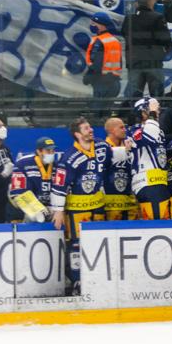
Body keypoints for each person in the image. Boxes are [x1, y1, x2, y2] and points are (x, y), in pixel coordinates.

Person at [51, 118, 119, 293]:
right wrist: (58, 211)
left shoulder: (102, 146)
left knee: (99, 242)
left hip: (98, 205)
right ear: (77, 134)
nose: (91, 130)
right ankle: (77, 281)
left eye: (90, 127)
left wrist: (128, 150)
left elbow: (114, 158)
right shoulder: (69, 157)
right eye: (86, 128)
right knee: (76, 245)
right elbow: (59, 185)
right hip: (77, 209)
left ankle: (98, 277)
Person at [121, 0, 172, 99]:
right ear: (150, 1)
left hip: (134, 60)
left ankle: (135, 110)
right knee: (156, 95)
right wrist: (164, 52)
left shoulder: (129, 17)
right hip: (153, 61)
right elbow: (165, 39)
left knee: (134, 95)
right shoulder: (157, 17)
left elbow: (124, 33)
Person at [130, 97, 172, 220]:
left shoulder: (157, 130)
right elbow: (150, 135)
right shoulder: (136, 130)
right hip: (148, 184)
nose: (158, 112)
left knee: (168, 222)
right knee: (158, 225)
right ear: (144, 112)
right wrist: (152, 114)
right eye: (155, 109)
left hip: (158, 183)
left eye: (157, 110)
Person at [8, 136, 57, 223]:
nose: (51, 153)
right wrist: (39, 209)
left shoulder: (57, 166)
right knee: (36, 217)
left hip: (50, 207)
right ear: (39, 151)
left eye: (53, 151)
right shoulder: (23, 163)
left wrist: (55, 208)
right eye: (48, 151)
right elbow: (19, 192)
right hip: (28, 205)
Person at [84, 11, 122, 116]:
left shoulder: (99, 41)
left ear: (101, 25)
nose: (92, 25)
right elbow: (119, 63)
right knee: (107, 113)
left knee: (97, 113)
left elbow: (96, 63)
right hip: (114, 82)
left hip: (101, 82)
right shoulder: (115, 41)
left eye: (94, 23)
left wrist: (88, 76)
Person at [103, 117, 137, 221]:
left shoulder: (130, 145)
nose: (125, 130)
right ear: (111, 130)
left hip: (129, 201)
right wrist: (126, 150)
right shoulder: (103, 148)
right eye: (121, 127)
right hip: (111, 203)